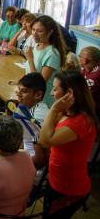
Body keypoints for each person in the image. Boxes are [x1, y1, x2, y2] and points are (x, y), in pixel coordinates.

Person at [39, 71, 97, 218]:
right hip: (56, 181)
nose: (52, 93)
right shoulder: (68, 112)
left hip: (69, 189)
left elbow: (44, 141)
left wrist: (54, 109)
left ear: (69, 93)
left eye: (55, 89)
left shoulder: (80, 122)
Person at [0, 73, 49, 168]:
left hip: (21, 163)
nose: (18, 94)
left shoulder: (40, 115)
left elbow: (32, 153)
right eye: (18, 90)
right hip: (15, 154)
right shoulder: (24, 106)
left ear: (38, 95)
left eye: (24, 91)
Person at [25, 15, 66, 107]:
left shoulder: (52, 53)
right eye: (33, 30)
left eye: (39, 31)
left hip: (43, 102)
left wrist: (30, 59)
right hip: (31, 96)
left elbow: (39, 83)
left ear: (50, 32)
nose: (34, 34)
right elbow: (29, 73)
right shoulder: (37, 46)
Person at [79, 46, 100, 115]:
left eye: (80, 56)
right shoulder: (87, 68)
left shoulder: (95, 76)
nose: (78, 59)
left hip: (94, 112)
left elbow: (83, 95)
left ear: (85, 60)